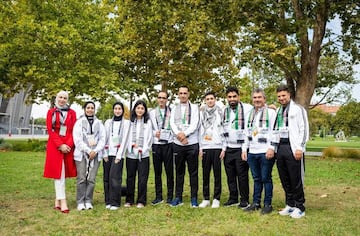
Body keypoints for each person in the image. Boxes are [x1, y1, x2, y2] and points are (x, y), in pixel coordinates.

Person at [274, 84, 309, 219]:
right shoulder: (278, 111)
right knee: (285, 178)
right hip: (281, 147)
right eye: (279, 96)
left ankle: (300, 207)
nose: (281, 98)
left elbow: (304, 129)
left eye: (284, 95)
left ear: (289, 95)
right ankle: (290, 204)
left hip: (293, 148)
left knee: (296, 179)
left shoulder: (298, 109)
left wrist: (300, 147)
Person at [242, 88, 276, 214]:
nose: (257, 100)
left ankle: (267, 204)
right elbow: (246, 132)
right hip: (252, 151)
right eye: (255, 98)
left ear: (264, 99)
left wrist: (271, 148)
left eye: (259, 97)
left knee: (266, 178)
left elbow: (274, 131)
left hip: (265, 151)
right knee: (256, 178)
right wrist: (244, 148)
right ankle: (256, 203)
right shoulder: (249, 114)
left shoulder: (271, 113)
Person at [43, 91, 77, 213]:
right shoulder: (51, 112)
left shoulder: (72, 113)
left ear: (67, 100)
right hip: (55, 145)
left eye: (65, 98)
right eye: (60, 97)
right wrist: (60, 145)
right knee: (59, 173)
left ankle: (57, 200)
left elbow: (74, 130)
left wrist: (67, 144)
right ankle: (63, 200)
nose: (62, 99)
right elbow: (50, 130)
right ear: (56, 98)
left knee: (62, 172)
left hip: (68, 145)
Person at [170, 85, 200, 207]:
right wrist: (179, 135)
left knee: (193, 172)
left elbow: (195, 124)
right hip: (178, 144)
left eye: (185, 93)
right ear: (178, 95)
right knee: (179, 171)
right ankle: (178, 197)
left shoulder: (194, 107)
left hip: (191, 143)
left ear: (188, 94)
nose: (182, 95)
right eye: (180, 93)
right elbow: (171, 123)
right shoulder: (173, 108)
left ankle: (194, 198)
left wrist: (185, 134)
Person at [119, 100, 153, 208]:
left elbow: (150, 138)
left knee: (142, 178)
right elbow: (126, 137)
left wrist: (144, 149)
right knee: (130, 177)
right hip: (131, 154)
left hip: (144, 154)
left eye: (142, 108)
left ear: (145, 110)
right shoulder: (129, 122)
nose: (140, 110)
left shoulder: (148, 122)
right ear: (134, 109)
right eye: (138, 108)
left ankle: (141, 200)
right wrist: (132, 146)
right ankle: (129, 200)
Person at [222, 86, 252, 208]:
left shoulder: (247, 108)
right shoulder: (224, 110)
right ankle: (233, 198)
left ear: (238, 97)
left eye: (234, 96)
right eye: (229, 97)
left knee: (242, 175)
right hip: (228, 147)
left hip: (241, 148)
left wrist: (244, 148)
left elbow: (248, 130)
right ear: (226, 98)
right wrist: (224, 148)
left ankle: (244, 199)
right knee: (230, 175)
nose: (232, 99)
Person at [73, 101, 106, 210]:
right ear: (84, 109)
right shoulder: (79, 122)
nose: (90, 110)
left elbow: (102, 139)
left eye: (92, 108)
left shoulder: (99, 123)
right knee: (82, 178)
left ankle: (88, 200)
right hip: (82, 154)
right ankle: (80, 201)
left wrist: (95, 151)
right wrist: (88, 150)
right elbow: (77, 140)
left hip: (95, 154)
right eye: (88, 108)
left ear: (94, 110)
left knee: (91, 179)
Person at [198, 91, 226, 208]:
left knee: (217, 174)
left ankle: (216, 198)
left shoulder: (221, 112)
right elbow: (200, 131)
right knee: (205, 173)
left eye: (212, 98)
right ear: (205, 100)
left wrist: (224, 148)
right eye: (207, 99)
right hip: (205, 146)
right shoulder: (201, 113)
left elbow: (224, 130)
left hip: (217, 146)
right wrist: (200, 147)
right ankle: (205, 198)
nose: (210, 100)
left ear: (215, 99)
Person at [103, 101, 129, 210]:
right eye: (116, 109)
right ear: (113, 110)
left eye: (119, 109)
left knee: (115, 178)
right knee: (107, 178)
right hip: (108, 153)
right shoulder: (108, 122)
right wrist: (104, 153)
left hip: (118, 154)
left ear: (122, 110)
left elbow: (125, 140)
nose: (117, 111)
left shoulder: (126, 123)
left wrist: (119, 155)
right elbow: (104, 138)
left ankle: (115, 202)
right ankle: (108, 200)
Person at [149, 91, 174, 205]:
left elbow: (174, 126)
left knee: (169, 172)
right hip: (156, 144)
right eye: (159, 97)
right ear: (157, 99)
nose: (161, 100)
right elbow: (149, 127)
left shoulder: (172, 111)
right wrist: (155, 133)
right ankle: (158, 196)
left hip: (168, 144)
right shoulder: (152, 112)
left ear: (167, 100)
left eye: (164, 98)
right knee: (157, 172)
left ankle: (170, 196)